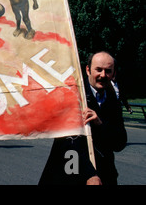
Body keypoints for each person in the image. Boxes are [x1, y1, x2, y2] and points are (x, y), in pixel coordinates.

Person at [39, 51, 127, 185]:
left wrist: (100, 124)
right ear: (88, 70)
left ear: (113, 73)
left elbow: (120, 142)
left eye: (108, 71)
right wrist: (89, 174)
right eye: (98, 70)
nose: (103, 75)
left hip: (105, 175)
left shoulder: (113, 100)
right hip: (72, 174)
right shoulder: (73, 95)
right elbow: (69, 142)